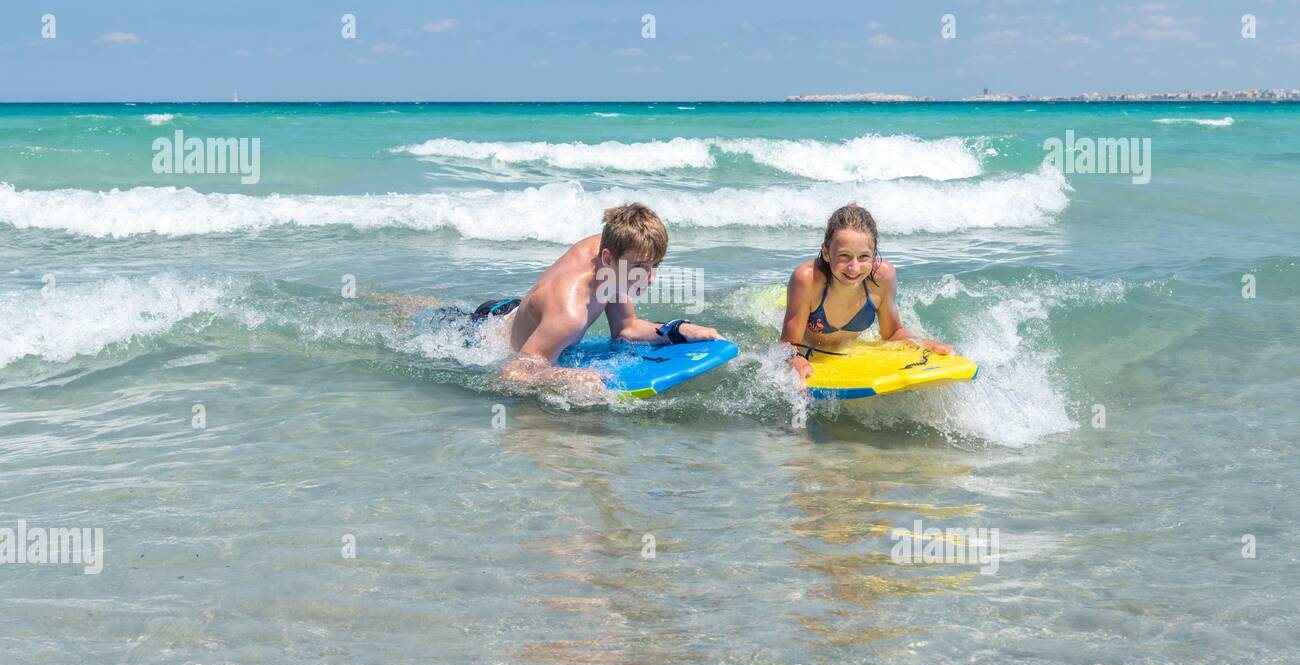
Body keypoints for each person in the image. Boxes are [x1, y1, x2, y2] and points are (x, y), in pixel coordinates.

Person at [400, 202, 720, 393]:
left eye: (655, 266)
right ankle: (395, 302)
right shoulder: (570, 314)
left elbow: (625, 328)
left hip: (519, 313)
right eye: (640, 267)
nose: (649, 278)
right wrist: (567, 376)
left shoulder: (614, 252)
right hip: (479, 334)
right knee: (418, 317)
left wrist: (677, 330)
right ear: (607, 257)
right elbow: (512, 373)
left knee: (442, 309)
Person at [781, 203, 955, 384]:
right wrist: (796, 359)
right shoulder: (807, 279)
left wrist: (924, 344)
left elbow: (892, 333)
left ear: (874, 255)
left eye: (863, 257)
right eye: (843, 256)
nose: (854, 268)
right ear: (826, 252)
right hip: (810, 347)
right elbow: (787, 345)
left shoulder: (882, 278)